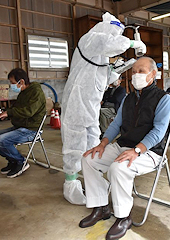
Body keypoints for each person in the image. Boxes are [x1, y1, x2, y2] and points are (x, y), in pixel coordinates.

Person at [79, 57, 170, 240]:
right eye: (134, 71)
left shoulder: (163, 98)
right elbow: (116, 124)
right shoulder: (129, 98)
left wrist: (137, 150)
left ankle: (124, 217)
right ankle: (101, 207)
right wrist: (103, 143)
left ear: (153, 74)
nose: (136, 75)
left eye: (141, 71)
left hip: (150, 152)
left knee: (118, 168)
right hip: (124, 145)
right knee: (88, 159)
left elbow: (159, 131)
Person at [61, 12, 146, 205]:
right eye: (115, 34)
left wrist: (122, 67)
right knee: (74, 144)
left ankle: (92, 182)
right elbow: (109, 43)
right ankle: (71, 185)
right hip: (77, 102)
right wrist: (133, 44)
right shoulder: (89, 40)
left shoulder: (101, 57)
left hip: (91, 105)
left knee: (93, 143)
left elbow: (103, 78)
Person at [0, 68, 46, 178]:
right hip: (20, 126)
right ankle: (12, 160)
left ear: (22, 82)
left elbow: (29, 112)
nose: (11, 86)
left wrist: (9, 113)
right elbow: (16, 109)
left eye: (13, 83)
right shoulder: (23, 93)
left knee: (2, 140)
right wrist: (2, 113)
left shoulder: (36, 92)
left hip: (32, 129)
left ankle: (21, 162)